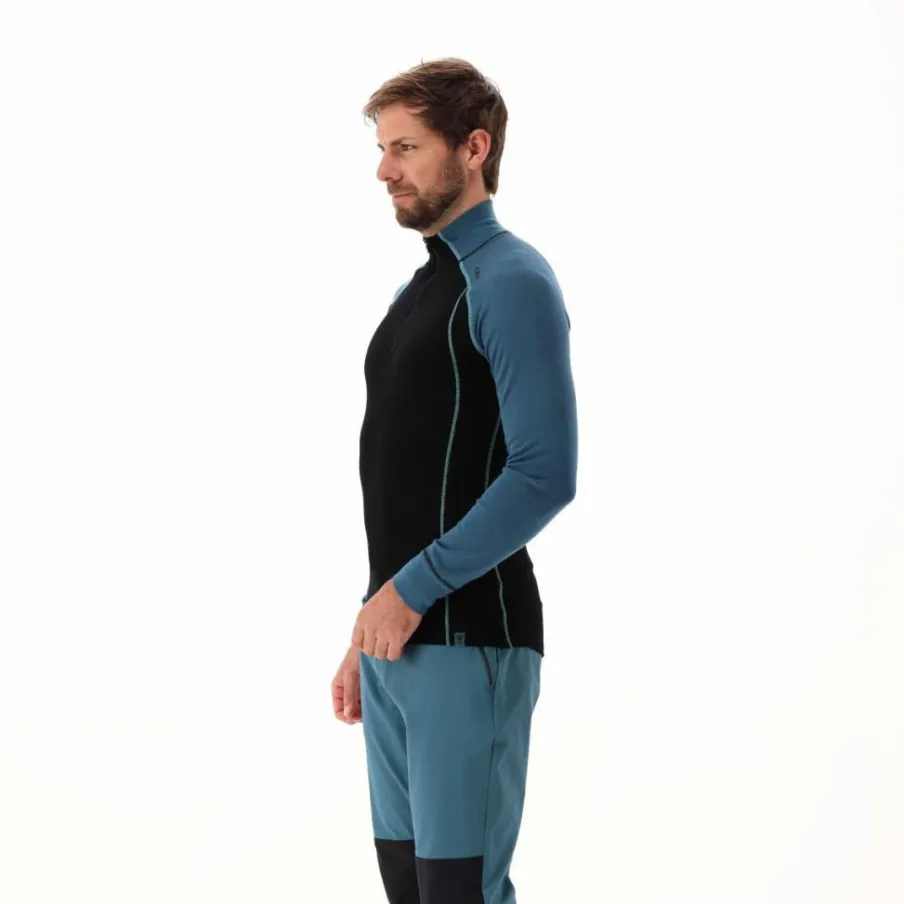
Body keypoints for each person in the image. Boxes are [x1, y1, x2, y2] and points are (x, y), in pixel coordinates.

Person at [331, 57, 579, 904]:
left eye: (405, 147)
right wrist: (371, 624)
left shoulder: (511, 282)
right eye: (382, 148)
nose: (384, 169)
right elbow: (407, 471)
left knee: (458, 894)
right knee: (411, 890)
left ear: (474, 149)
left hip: (471, 638)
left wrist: (410, 591)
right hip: (400, 641)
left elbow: (544, 474)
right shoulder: (421, 290)